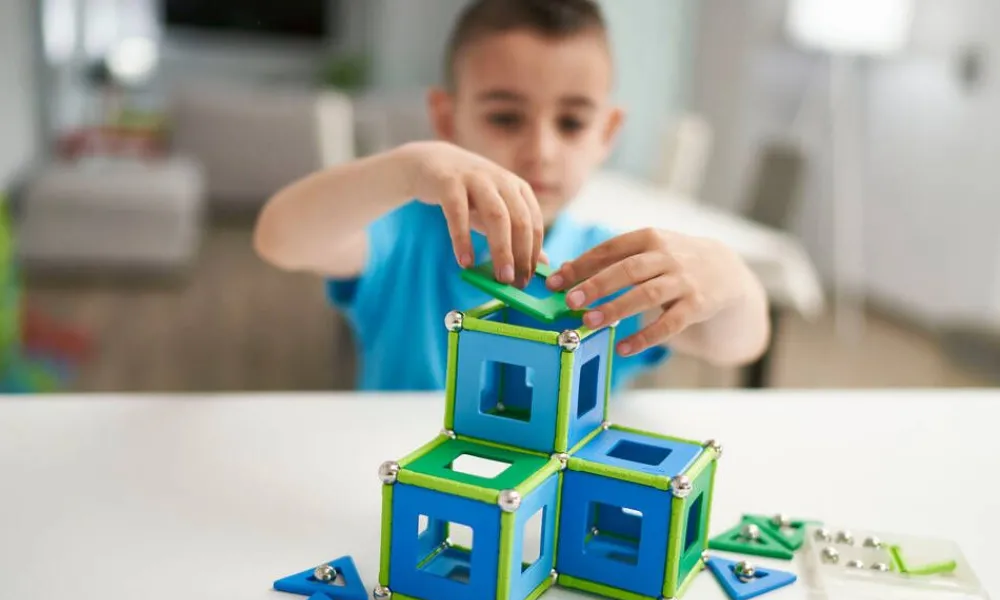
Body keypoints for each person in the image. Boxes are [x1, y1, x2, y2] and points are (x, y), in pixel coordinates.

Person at [253, 0, 770, 392]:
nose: (540, 151)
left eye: (571, 122)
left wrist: (731, 281)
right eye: (505, 118)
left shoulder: (612, 268)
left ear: (607, 133)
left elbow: (739, 344)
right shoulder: (405, 236)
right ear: (447, 120)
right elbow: (280, 238)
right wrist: (406, 170)